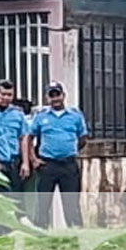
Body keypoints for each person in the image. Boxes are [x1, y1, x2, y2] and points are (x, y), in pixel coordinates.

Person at [28, 82, 87, 229]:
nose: (55, 99)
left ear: (63, 95)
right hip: (47, 165)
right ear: (47, 98)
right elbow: (29, 138)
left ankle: (75, 232)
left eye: (57, 95)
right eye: (51, 95)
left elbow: (83, 138)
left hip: (69, 165)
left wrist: (70, 150)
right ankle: (41, 233)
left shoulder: (75, 115)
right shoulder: (41, 117)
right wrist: (33, 159)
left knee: (71, 203)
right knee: (43, 203)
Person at [0, 79, 27, 193]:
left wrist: (25, 163)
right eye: (3, 94)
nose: (6, 98)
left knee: (16, 197)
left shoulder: (18, 114)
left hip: (13, 162)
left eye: (10, 95)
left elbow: (23, 138)